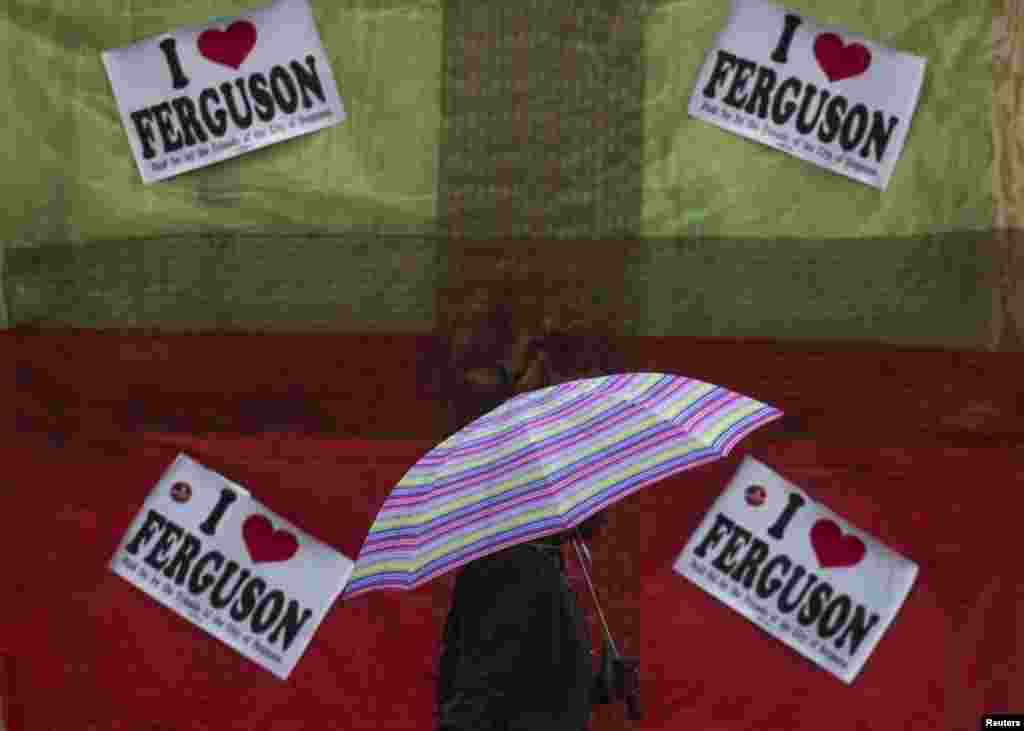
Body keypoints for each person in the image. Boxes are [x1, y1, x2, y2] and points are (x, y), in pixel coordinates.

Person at [433, 309, 623, 731]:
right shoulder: (517, 571)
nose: (607, 501)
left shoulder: (536, 563)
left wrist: (593, 687)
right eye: (598, 481)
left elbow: (525, 686)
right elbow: (476, 702)